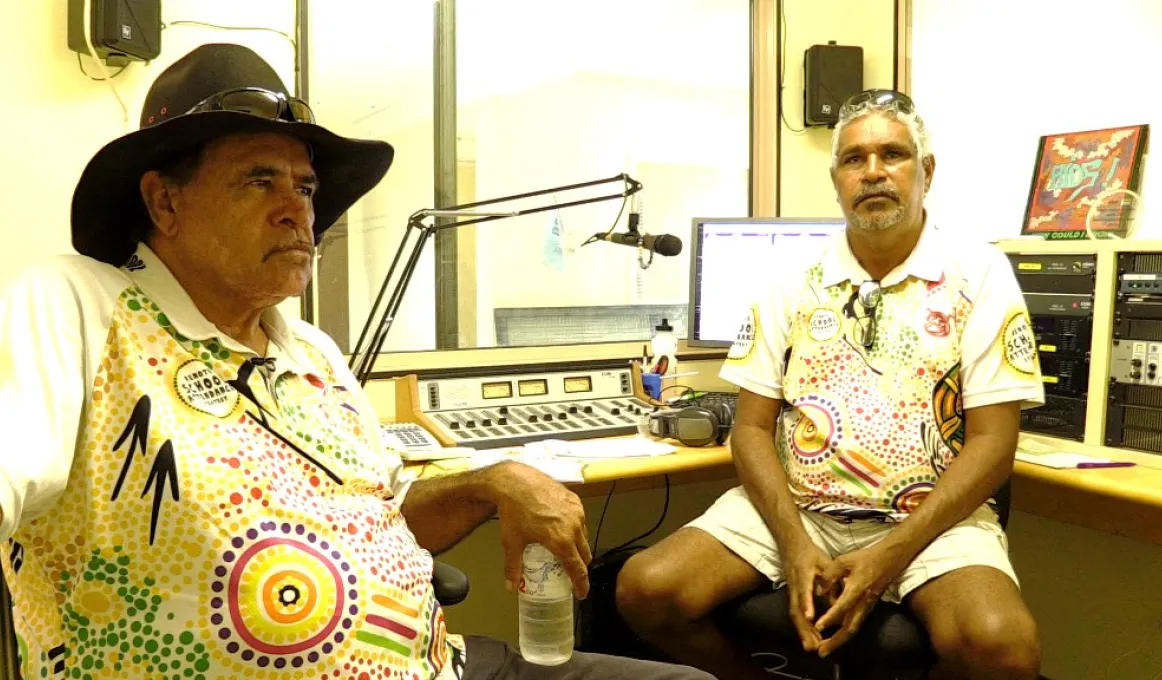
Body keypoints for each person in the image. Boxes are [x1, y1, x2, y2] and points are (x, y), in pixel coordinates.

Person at [0, 43, 712, 680]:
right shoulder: (78, 304)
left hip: (437, 661)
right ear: (164, 200)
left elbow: (389, 512)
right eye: (259, 180)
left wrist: (497, 481)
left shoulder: (309, 349)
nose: (298, 212)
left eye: (304, 188)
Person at [616, 89, 1045, 680]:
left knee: (1003, 648)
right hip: (799, 510)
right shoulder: (789, 278)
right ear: (837, 177)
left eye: (892, 154)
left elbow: (995, 444)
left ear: (926, 170)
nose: (873, 173)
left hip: (927, 519)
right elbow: (750, 430)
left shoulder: (980, 273)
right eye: (853, 159)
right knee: (646, 588)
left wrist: (890, 554)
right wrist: (794, 546)